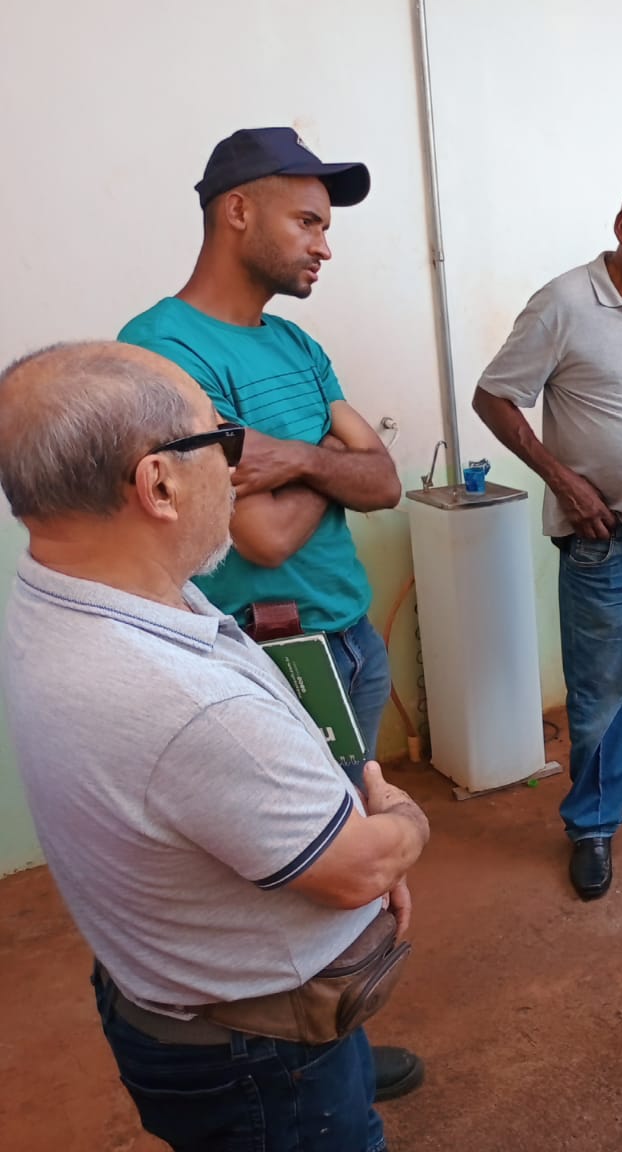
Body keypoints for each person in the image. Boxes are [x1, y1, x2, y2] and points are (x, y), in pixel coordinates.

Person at [0, 342, 430, 1152]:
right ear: (157, 484)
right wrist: (397, 820)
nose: (237, 468)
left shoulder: (64, 588)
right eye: (223, 441)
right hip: (262, 1055)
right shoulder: (184, 703)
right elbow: (359, 869)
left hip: (168, 995)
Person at [119, 127, 420, 1098]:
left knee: (349, 871)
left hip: (350, 644)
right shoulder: (160, 355)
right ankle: (311, 1074)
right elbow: (259, 540)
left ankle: (344, 1044)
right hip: (276, 659)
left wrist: (286, 459)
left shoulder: (297, 342)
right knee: (307, 878)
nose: (323, 245)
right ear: (235, 210)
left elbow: (385, 479)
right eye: (307, 221)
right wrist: (335, 464)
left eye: (326, 226)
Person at [473, 179, 622, 902]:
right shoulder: (566, 302)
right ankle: (593, 824)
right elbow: (494, 395)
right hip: (608, 537)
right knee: (605, 694)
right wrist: (562, 480)